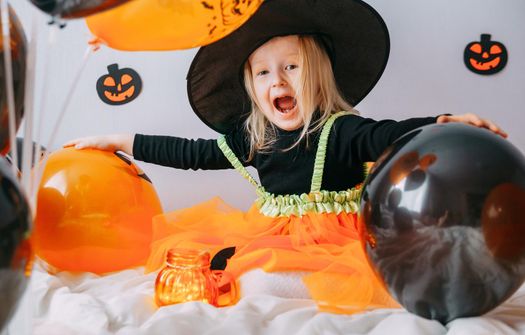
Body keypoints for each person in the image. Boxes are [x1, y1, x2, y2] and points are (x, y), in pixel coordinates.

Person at [65, 0, 506, 313]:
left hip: (338, 240)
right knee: (240, 269)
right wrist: (122, 139)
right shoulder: (255, 138)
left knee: (307, 279)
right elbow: (191, 153)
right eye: (262, 73)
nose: (277, 80)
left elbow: (392, 135)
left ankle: (297, 286)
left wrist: (446, 121)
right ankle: (266, 283)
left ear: (317, 74)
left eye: (290, 67)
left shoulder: (344, 130)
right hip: (273, 234)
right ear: (253, 88)